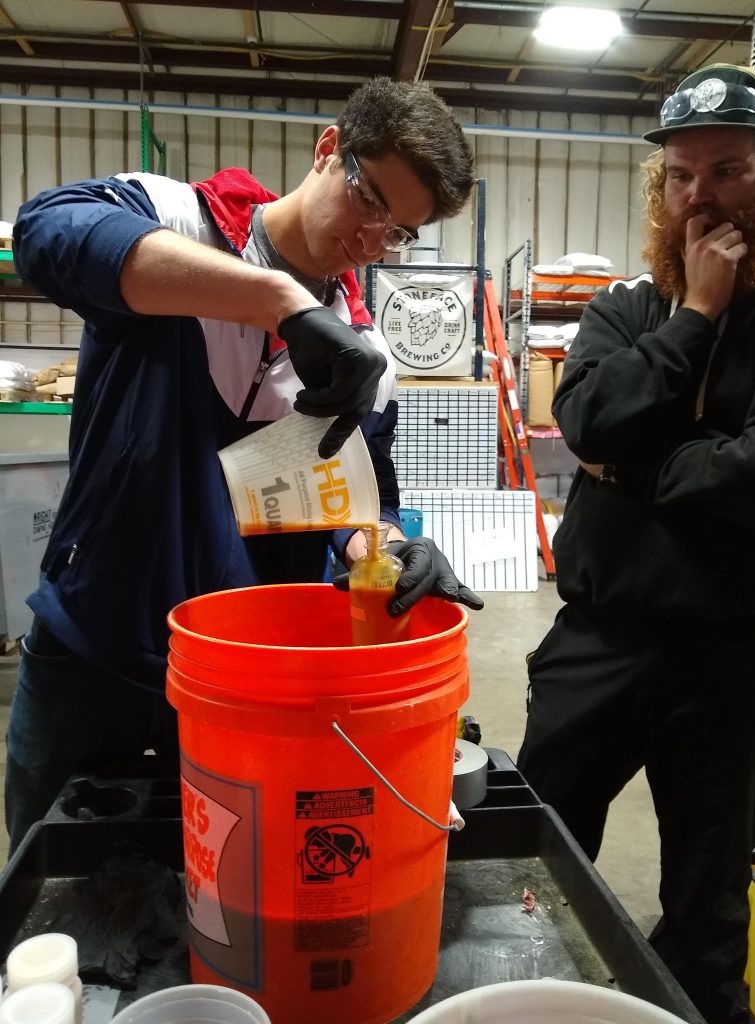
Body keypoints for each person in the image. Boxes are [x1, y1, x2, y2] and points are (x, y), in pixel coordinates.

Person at [6, 77, 483, 855]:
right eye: (370, 202)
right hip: (97, 648)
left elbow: (353, 510)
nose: (371, 242)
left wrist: (388, 555)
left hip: (244, 679)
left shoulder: (368, 362)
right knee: (49, 879)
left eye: (399, 232)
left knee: (214, 886)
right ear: (329, 149)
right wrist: (278, 304)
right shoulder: (174, 221)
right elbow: (47, 233)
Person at [516, 62, 755, 1024]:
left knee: (709, 912)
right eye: (681, 175)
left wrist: (648, 469)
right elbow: (588, 422)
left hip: (732, 655)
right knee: (534, 854)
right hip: (600, 640)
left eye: (729, 170)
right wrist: (698, 314)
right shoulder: (627, 310)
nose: (701, 194)